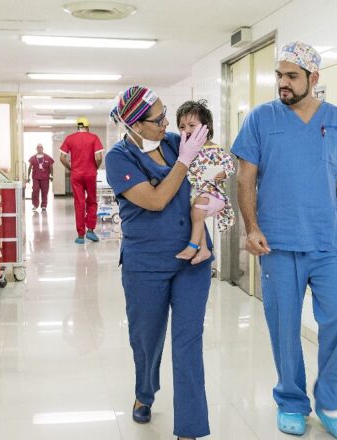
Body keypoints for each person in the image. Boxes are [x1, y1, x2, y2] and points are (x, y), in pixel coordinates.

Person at [232, 42, 337, 440]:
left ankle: (330, 400)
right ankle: (291, 401)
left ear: (314, 78)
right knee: (284, 328)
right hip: (278, 245)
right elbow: (245, 178)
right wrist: (251, 227)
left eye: (291, 76)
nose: (283, 84)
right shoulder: (261, 119)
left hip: (329, 245)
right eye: (279, 76)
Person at [105, 86, 213, 440]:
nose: (167, 123)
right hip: (146, 263)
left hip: (192, 258)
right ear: (134, 125)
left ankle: (190, 429)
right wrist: (184, 162)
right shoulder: (119, 158)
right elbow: (155, 200)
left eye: (166, 114)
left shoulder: (171, 141)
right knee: (147, 339)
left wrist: (216, 198)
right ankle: (144, 392)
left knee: (187, 343)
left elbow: (212, 165)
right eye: (159, 119)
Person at [174, 100, 235, 265]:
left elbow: (230, 165)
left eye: (192, 125)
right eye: (182, 126)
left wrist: (223, 173)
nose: (186, 130)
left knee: (197, 209)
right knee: (194, 213)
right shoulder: (184, 148)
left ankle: (193, 246)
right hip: (195, 194)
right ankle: (204, 249)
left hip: (213, 194)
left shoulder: (214, 149)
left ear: (205, 126)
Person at [60, 117, 104, 244]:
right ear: (87, 127)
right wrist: (96, 166)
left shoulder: (70, 138)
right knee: (91, 201)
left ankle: (80, 236)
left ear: (77, 127)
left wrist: (71, 167)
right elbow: (99, 156)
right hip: (90, 174)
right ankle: (90, 230)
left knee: (79, 204)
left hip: (76, 175)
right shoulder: (94, 138)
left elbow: (62, 157)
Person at [27, 143, 54, 211]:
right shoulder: (33, 158)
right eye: (38, 147)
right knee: (35, 191)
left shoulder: (48, 157)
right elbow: (29, 167)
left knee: (44, 192)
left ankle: (44, 205)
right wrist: (28, 176)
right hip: (36, 178)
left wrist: (52, 175)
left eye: (41, 147)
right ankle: (35, 205)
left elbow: (51, 167)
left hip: (45, 178)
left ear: (43, 148)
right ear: (36, 149)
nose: (39, 149)